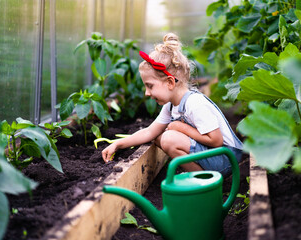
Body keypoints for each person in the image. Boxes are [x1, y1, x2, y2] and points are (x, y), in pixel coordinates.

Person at [102, 33, 243, 177]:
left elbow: (216, 140)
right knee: (158, 137)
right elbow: (149, 132)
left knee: (169, 138)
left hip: (225, 158)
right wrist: (118, 144)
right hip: (213, 156)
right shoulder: (170, 106)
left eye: (150, 86)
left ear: (170, 82)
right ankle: (200, 175)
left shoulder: (195, 103)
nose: (147, 93)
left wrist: (180, 127)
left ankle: (206, 181)